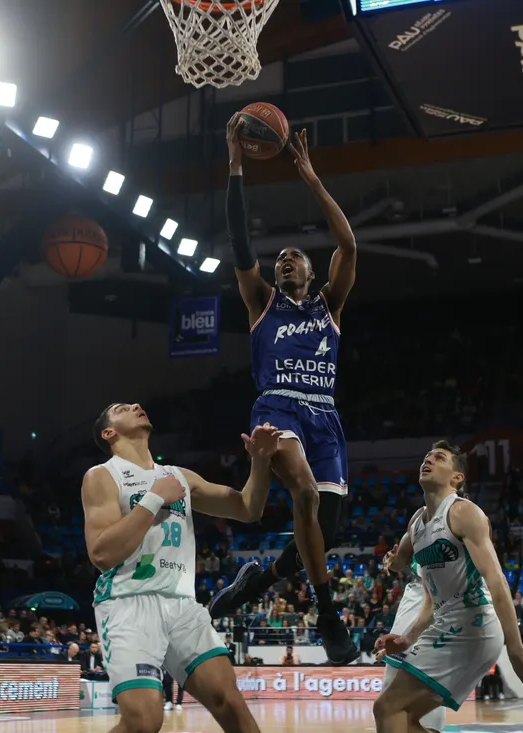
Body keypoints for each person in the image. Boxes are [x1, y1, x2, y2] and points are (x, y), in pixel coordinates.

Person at [210, 115, 360, 665]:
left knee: (328, 530)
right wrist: (235, 166)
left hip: (326, 417)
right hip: (278, 409)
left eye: (295, 255)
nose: (285, 259)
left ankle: (258, 581)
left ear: (311, 269)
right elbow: (240, 239)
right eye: (280, 258)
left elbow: (348, 242)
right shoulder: (260, 302)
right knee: (305, 496)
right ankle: (326, 615)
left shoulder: (330, 304)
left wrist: (312, 179)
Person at [84, 402, 282, 733]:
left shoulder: (179, 477)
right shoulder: (102, 475)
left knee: (229, 702)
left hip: (181, 604)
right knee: (144, 721)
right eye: (122, 408)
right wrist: (153, 498)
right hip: (129, 601)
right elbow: (102, 553)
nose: (136, 405)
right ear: (109, 432)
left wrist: (260, 462)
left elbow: (248, 508)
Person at [372, 441, 523, 733]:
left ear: (457, 478)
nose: (427, 461)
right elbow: (420, 586)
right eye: (426, 457)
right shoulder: (417, 523)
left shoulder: (464, 513)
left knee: (387, 708)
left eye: (439, 458)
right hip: (447, 624)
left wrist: (515, 649)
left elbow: (497, 582)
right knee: (401, 718)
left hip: (473, 628)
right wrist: (406, 638)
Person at [374, 560, 446, 731]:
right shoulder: (415, 535)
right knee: (390, 705)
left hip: (431, 595)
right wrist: (394, 561)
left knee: (387, 704)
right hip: (421, 592)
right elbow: (399, 562)